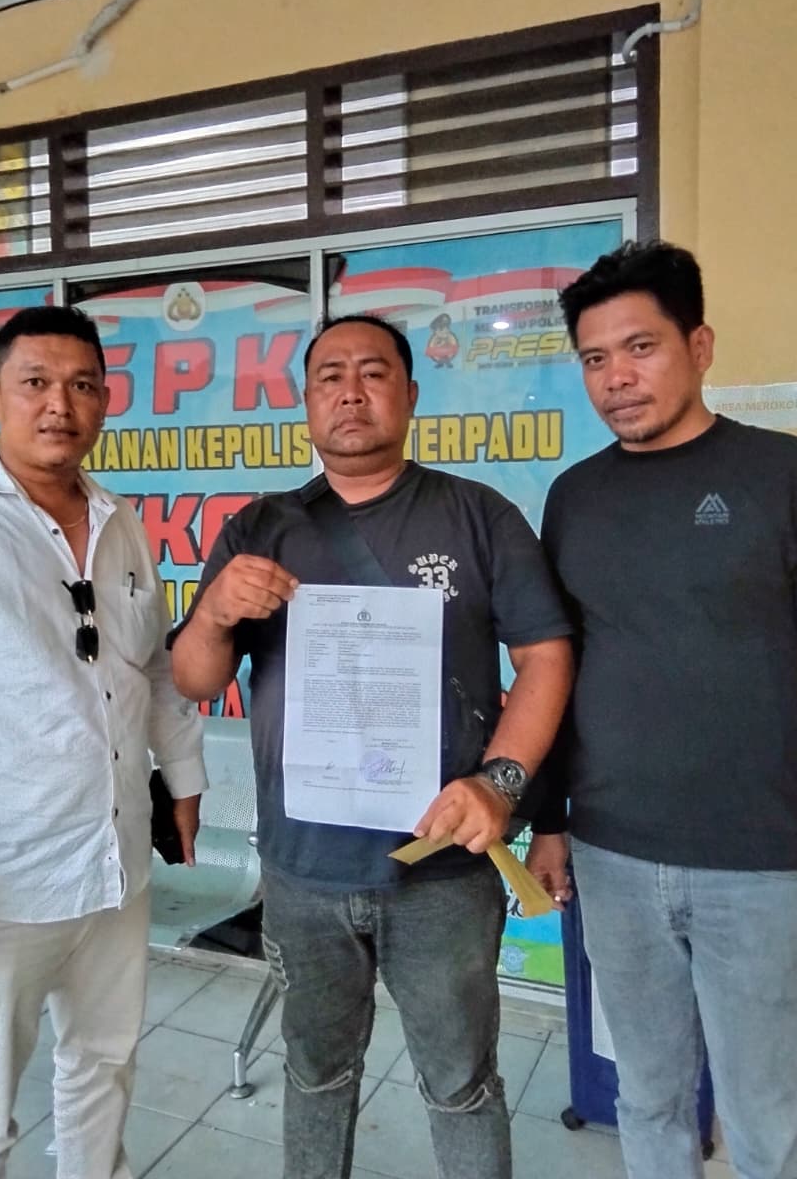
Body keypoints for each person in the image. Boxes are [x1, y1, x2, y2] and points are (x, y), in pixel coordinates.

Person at [170, 312, 573, 1179]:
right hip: (304, 870)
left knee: (461, 1083)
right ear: (306, 403)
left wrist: (501, 782)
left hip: (443, 870)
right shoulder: (262, 527)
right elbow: (195, 680)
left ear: (411, 394)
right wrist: (214, 613)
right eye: (331, 377)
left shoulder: (477, 515)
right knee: (315, 1074)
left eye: (374, 373)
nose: (351, 392)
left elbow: (545, 654)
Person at [0, 305, 206, 1179]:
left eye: (83, 385)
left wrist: (184, 779)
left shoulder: (122, 522)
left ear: (106, 401)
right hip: (1, 878)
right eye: (35, 383)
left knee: (103, 1066)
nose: (60, 404)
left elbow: (151, 666)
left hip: (116, 863)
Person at [527, 241, 797, 1179]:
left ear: (699, 346)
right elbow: (556, 668)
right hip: (612, 854)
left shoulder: (789, 474)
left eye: (640, 348)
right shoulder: (575, 497)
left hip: (757, 859)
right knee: (648, 1100)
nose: (617, 378)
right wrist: (548, 821)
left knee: (767, 1119)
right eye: (595, 358)